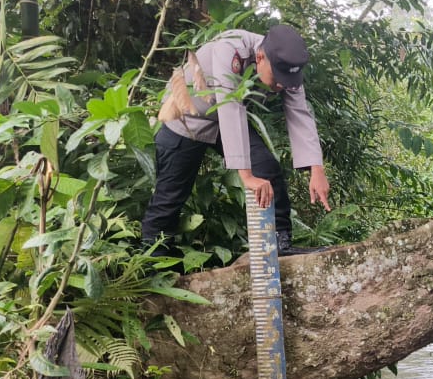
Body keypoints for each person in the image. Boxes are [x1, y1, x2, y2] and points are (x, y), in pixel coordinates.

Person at [141, 24, 332, 257]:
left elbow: (299, 112)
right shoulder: (230, 48)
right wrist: (246, 176)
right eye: (277, 78)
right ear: (260, 57)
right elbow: (230, 107)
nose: (280, 85)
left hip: (223, 121)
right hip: (186, 119)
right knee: (169, 196)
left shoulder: (286, 66)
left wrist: (317, 168)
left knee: (266, 168)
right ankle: (153, 259)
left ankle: (279, 242)